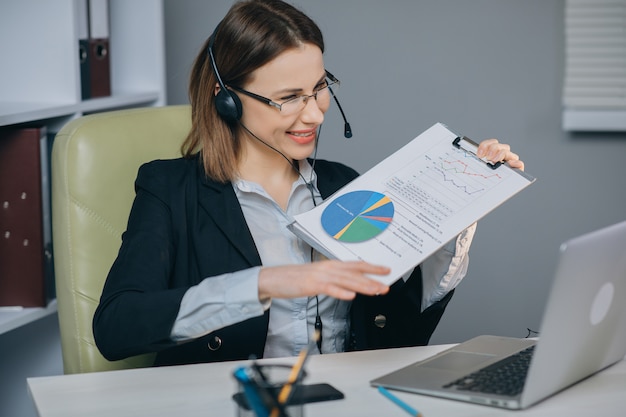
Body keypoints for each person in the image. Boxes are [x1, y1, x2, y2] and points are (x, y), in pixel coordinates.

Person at [93, 0, 524, 366]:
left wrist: (459, 212)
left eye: (319, 88)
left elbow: (397, 335)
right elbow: (116, 327)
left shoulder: (345, 185)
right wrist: (264, 283)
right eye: (288, 98)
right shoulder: (170, 189)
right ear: (226, 99)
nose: (316, 114)